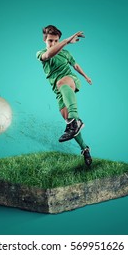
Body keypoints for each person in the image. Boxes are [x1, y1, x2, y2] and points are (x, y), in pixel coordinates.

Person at [36, 25, 93, 166]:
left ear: (59, 40)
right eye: (50, 41)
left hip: (70, 80)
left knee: (62, 82)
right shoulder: (40, 54)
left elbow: (75, 65)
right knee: (69, 122)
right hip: (58, 90)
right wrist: (66, 41)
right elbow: (49, 55)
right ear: (45, 40)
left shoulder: (66, 53)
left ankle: (76, 119)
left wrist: (86, 76)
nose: (53, 43)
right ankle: (85, 148)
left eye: (56, 41)